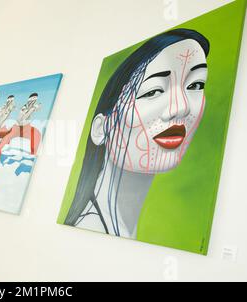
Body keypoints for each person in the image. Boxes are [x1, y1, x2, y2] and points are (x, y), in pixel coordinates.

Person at [64, 28, 210, 239]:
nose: (181, 107)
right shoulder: (93, 225)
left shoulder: (118, 229)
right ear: (100, 129)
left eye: (195, 85)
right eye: (153, 91)